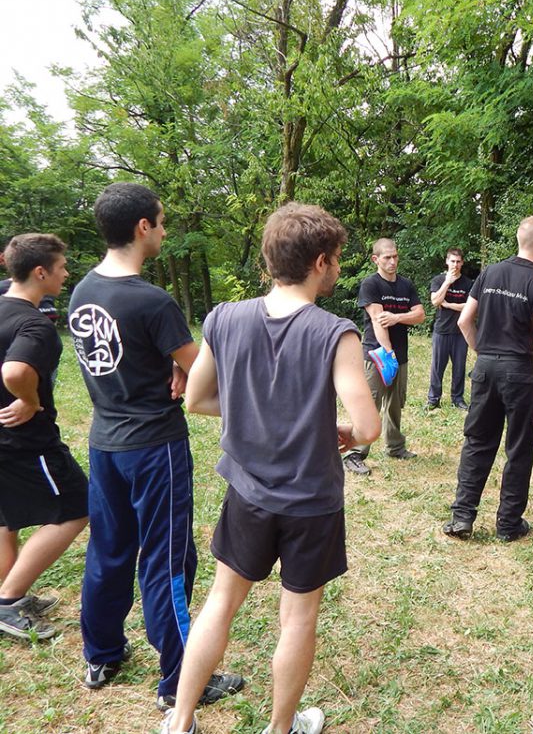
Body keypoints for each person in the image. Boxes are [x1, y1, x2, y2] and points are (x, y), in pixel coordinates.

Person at [162, 203, 380, 734]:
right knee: (298, 618)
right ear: (320, 262)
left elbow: (196, 399)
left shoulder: (223, 318)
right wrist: (341, 432)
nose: (337, 268)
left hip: (247, 495)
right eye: (337, 259)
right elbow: (368, 427)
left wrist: (252, 409)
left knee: (220, 603)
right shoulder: (337, 333)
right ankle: (281, 728)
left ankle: (181, 720)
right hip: (312, 503)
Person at [69, 183, 242, 708]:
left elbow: (132, 357)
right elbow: (207, 375)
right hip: (153, 448)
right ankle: (180, 681)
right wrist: (186, 366)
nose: (165, 231)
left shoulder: (82, 292)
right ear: (142, 227)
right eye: (161, 222)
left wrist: (174, 364)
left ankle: (101, 653)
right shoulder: (151, 301)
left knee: (109, 547)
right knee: (167, 560)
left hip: (105, 443)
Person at [443, 215, 533, 542]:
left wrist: (483, 352)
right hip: (521, 373)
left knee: (478, 442)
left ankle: (462, 517)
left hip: (485, 368)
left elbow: (464, 321)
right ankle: (508, 524)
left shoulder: (490, 272)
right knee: (519, 448)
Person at [0, 234, 88, 640]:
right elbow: (15, 371)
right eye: (62, 266)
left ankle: (6, 594)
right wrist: (30, 400)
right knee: (78, 507)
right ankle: (9, 600)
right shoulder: (35, 324)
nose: (66, 273)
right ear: (40, 272)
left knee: (7, 518)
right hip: (26, 443)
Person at [342, 238, 424, 475]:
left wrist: (397, 317)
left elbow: (420, 315)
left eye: (395, 256)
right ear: (375, 259)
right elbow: (378, 321)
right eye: (387, 257)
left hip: (401, 354)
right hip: (376, 354)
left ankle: (395, 447)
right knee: (370, 403)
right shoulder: (371, 284)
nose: (392, 261)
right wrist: (389, 355)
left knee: (395, 403)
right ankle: (355, 453)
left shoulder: (406, 285)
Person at [427, 248, 472, 411]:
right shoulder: (438, 280)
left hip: (461, 332)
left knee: (459, 367)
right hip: (442, 330)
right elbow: (435, 301)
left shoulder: (468, 283)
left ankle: (457, 399)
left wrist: (448, 305)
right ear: (447, 262)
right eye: (452, 261)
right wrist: (447, 282)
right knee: (437, 367)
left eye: (458, 261)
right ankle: (433, 399)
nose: (455, 264)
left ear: (462, 263)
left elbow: (470, 307)